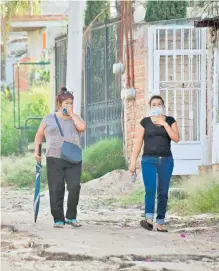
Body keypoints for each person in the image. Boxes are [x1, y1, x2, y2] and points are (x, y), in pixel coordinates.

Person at [34, 87, 86, 228]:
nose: (69, 106)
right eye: (66, 104)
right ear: (59, 105)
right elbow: (39, 135)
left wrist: (72, 115)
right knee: (56, 188)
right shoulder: (49, 118)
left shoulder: (76, 118)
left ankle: (71, 216)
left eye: (71, 103)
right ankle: (58, 218)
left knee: (74, 186)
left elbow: (82, 128)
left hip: (73, 158)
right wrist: (36, 152)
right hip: (54, 157)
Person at [129, 95, 180, 232]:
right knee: (150, 189)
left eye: (159, 104)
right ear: (150, 107)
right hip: (148, 160)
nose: (156, 107)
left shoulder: (170, 120)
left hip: (166, 160)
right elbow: (138, 142)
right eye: (153, 104)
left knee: (163, 191)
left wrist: (164, 125)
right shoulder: (144, 122)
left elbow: (176, 138)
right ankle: (149, 219)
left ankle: (160, 221)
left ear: (163, 106)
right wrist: (133, 162)